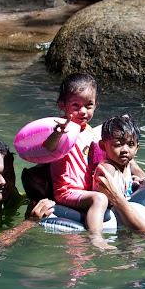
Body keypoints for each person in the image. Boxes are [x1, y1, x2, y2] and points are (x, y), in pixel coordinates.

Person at [42, 74, 113, 236]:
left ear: (96, 105)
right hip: (66, 191)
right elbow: (50, 149)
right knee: (100, 199)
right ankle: (96, 238)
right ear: (62, 105)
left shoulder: (88, 130)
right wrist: (57, 134)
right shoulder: (61, 129)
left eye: (89, 105)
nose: (83, 111)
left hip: (85, 190)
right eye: (75, 105)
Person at [92, 114, 144, 202]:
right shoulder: (108, 168)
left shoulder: (128, 163)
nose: (125, 150)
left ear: (137, 148)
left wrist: (135, 183)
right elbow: (111, 200)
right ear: (103, 146)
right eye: (118, 144)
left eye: (131, 144)